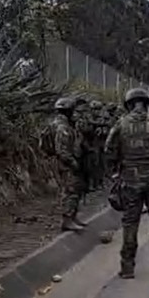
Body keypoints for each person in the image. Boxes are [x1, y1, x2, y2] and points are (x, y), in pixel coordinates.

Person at [105, 88, 149, 278]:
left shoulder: (121, 125)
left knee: (130, 222)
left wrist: (117, 171)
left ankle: (127, 267)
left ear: (129, 104)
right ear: (146, 103)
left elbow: (109, 152)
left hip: (130, 180)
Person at [45, 97, 88, 232]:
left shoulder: (59, 124)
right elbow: (61, 150)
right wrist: (72, 162)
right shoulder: (62, 127)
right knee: (70, 191)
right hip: (66, 164)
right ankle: (67, 220)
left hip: (66, 162)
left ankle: (72, 217)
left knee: (76, 189)